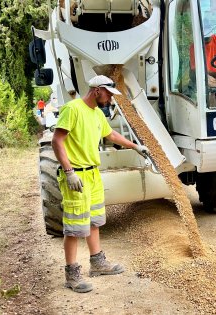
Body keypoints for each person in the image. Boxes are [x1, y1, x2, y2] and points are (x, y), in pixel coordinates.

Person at [51, 75, 150, 293]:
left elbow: (111, 134)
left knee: (94, 220)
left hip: (93, 175)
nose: (109, 99)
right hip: (76, 176)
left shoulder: (97, 114)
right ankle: (72, 274)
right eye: (107, 94)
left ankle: (97, 263)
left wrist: (135, 146)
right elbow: (57, 141)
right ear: (97, 90)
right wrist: (69, 172)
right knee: (75, 228)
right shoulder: (73, 109)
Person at [189, 17, 216, 88]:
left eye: (208, 34)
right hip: (206, 77)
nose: (206, 37)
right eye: (204, 35)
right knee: (209, 89)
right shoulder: (194, 47)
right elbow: (195, 70)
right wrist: (206, 76)